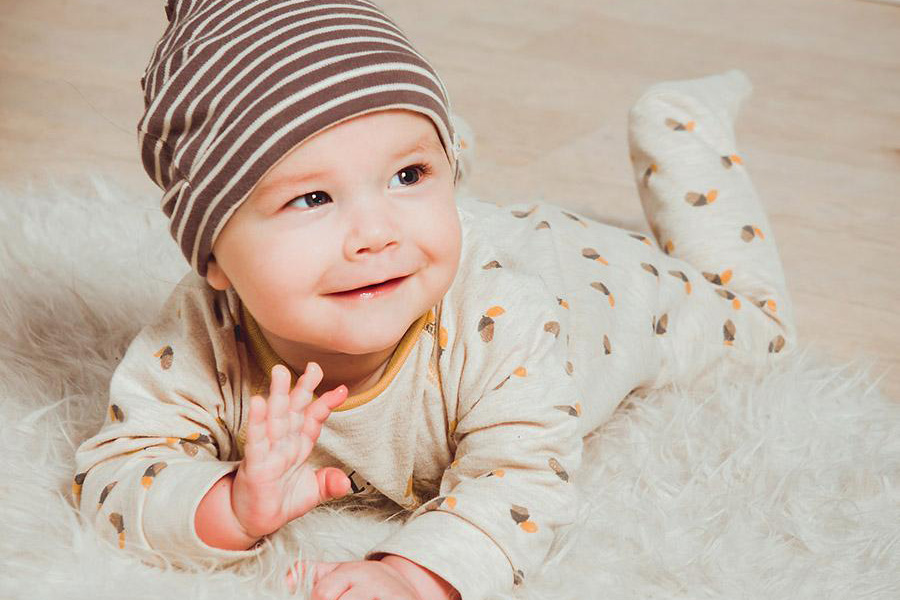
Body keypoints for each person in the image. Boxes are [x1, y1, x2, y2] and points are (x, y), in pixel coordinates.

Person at [72, 1, 797, 598]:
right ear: (213, 256)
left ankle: (678, 129)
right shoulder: (200, 335)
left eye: (409, 175)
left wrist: (411, 576)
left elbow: (520, 479)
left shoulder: (509, 320)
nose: (375, 234)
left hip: (584, 277)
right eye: (313, 197)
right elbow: (112, 476)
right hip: (466, 239)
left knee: (758, 325)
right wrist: (227, 504)